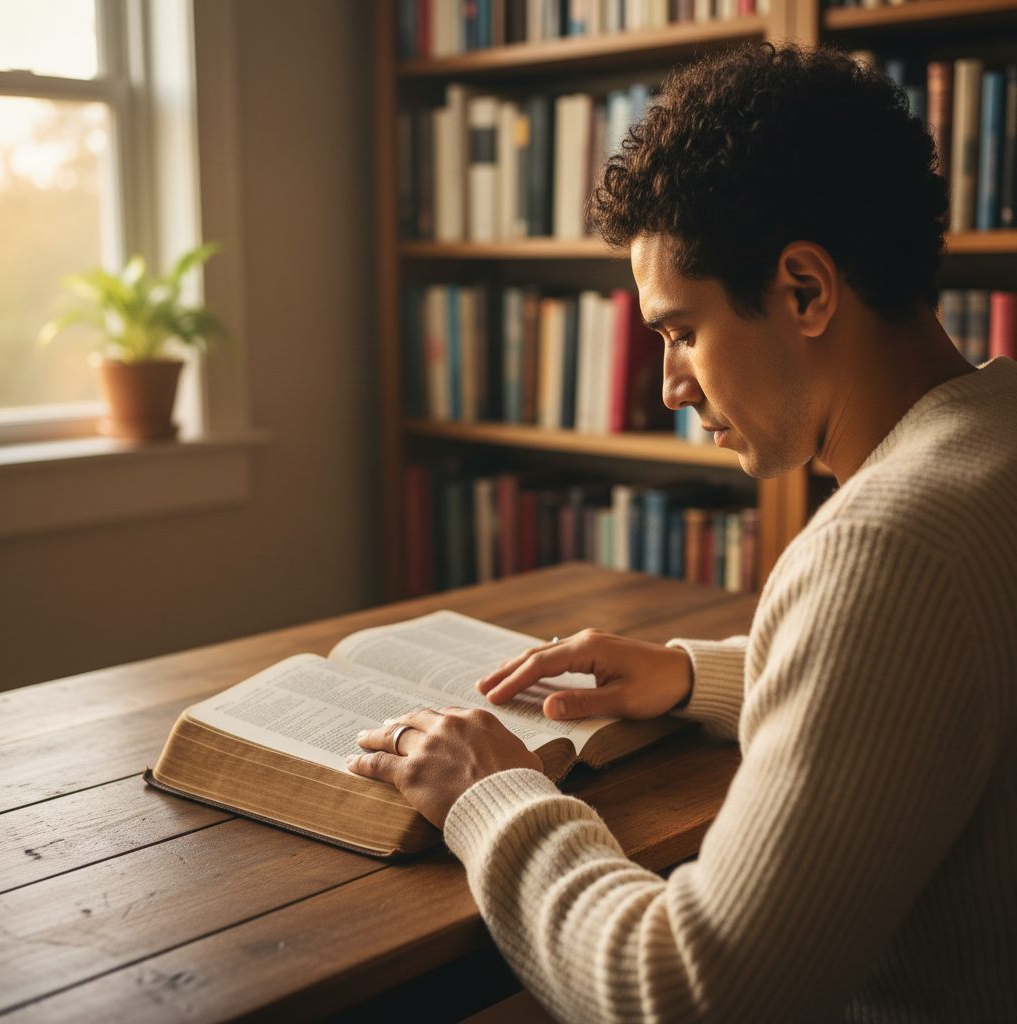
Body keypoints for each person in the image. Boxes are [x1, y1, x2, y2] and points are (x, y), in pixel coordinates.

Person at [348, 44, 1017, 1022]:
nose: (670, 387)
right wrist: (693, 674)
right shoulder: (991, 440)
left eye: (681, 332)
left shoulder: (886, 548)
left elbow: (694, 993)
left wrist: (489, 796)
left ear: (804, 290)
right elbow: (950, 672)